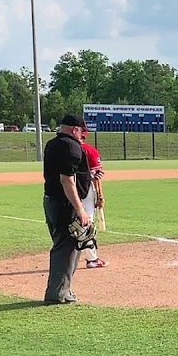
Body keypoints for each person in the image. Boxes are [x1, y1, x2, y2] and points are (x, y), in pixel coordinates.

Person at [41, 115, 93, 305]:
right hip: (65, 204)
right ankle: (59, 293)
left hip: (51, 200)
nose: (83, 137)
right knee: (67, 247)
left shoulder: (52, 144)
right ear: (74, 129)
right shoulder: (71, 146)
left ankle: (62, 289)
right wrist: (80, 209)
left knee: (63, 244)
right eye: (82, 133)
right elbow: (67, 180)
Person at [79, 126, 107, 269]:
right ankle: (92, 259)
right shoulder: (90, 150)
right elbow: (97, 176)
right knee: (86, 223)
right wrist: (100, 195)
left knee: (71, 223)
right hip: (86, 190)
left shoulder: (63, 149)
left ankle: (71, 256)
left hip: (64, 190)